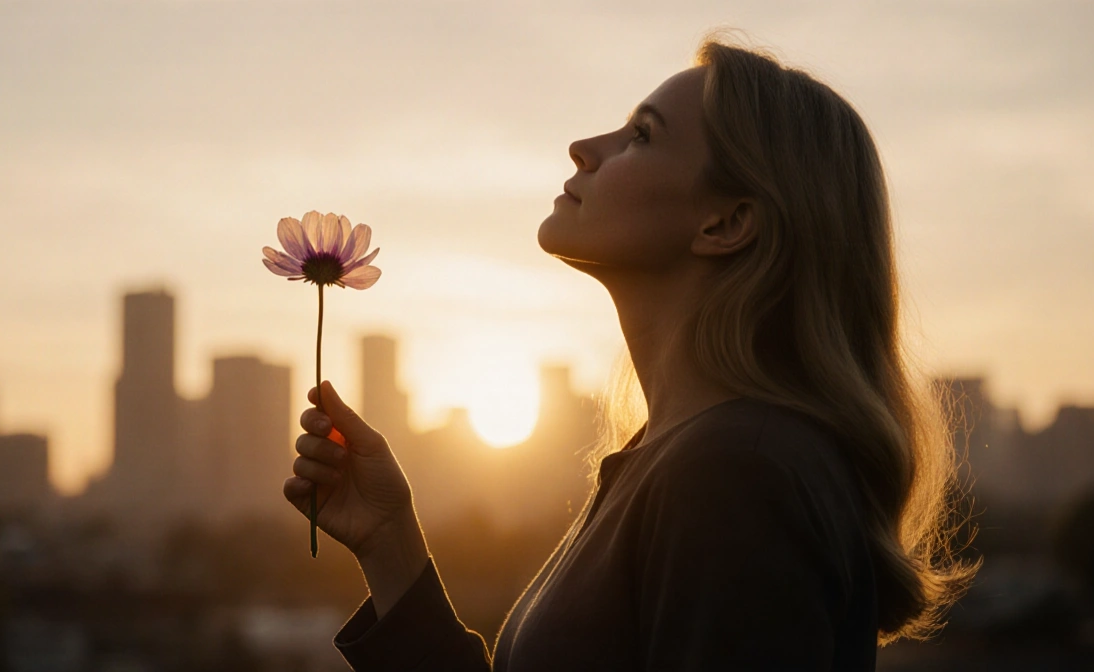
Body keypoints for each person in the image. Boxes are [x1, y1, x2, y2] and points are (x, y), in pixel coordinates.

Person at [284, 33, 980, 671]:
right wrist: (389, 538)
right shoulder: (683, 456)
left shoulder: (737, 472)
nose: (584, 146)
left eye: (642, 135)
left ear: (728, 221)